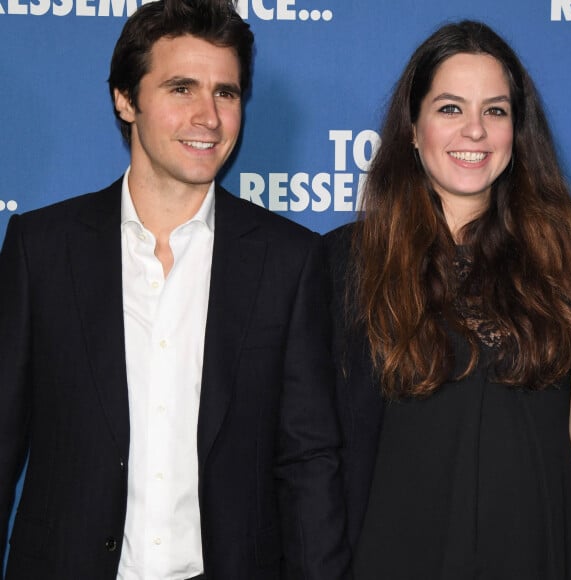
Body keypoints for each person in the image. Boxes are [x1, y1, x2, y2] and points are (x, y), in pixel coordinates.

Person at [0, 0, 350, 578]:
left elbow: (307, 460)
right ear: (125, 99)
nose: (208, 117)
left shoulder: (289, 260)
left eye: (226, 93)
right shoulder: (42, 249)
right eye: (181, 88)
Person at [325, 20, 571, 579]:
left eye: (495, 111)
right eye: (449, 109)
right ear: (413, 129)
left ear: (518, 129)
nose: (475, 131)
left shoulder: (567, 257)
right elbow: (313, 449)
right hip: (397, 553)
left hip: (538, 551)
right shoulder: (346, 263)